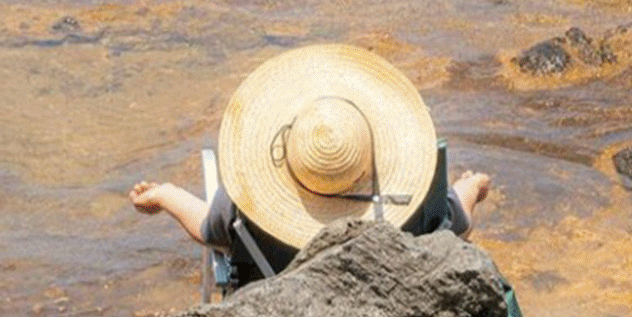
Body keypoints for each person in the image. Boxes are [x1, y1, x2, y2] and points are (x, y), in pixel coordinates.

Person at [129, 42, 491, 266]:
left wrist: (166, 196)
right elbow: (456, 226)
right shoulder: (415, 201)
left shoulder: (249, 201)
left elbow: (211, 232)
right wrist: (472, 187)